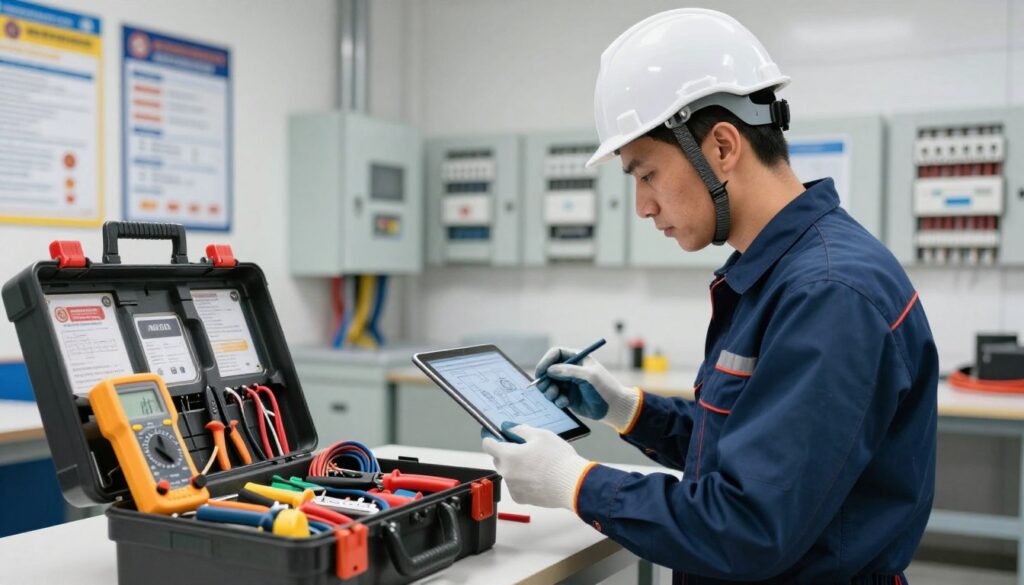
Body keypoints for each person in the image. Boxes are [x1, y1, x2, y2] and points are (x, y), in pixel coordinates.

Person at [482, 8, 938, 584]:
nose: (644, 206)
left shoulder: (827, 295)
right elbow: (752, 447)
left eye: (646, 175)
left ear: (722, 146)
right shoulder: (778, 273)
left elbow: (747, 526)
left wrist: (576, 483)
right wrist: (627, 409)